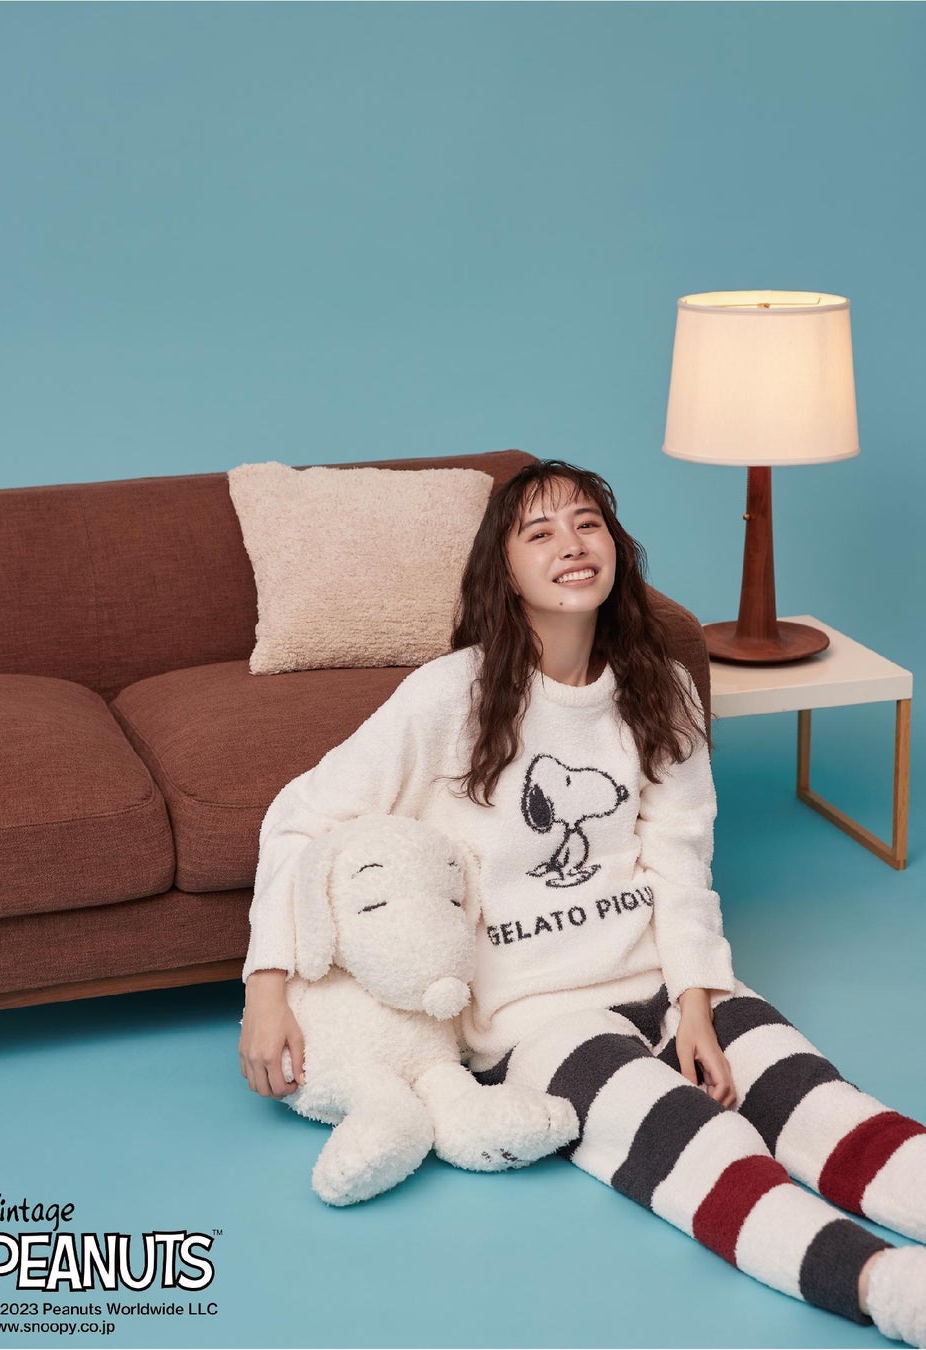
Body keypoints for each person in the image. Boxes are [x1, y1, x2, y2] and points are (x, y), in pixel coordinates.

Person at [239, 459, 926, 1346]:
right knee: (704, 1151)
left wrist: (697, 1004)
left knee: (825, 1106)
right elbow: (299, 818)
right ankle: (884, 1289)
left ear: (616, 549)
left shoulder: (660, 691)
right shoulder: (449, 696)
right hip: (535, 1021)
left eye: (587, 522)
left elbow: (680, 864)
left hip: (660, 980)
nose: (571, 542)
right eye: (540, 532)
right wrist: (267, 988)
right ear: (505, 572)